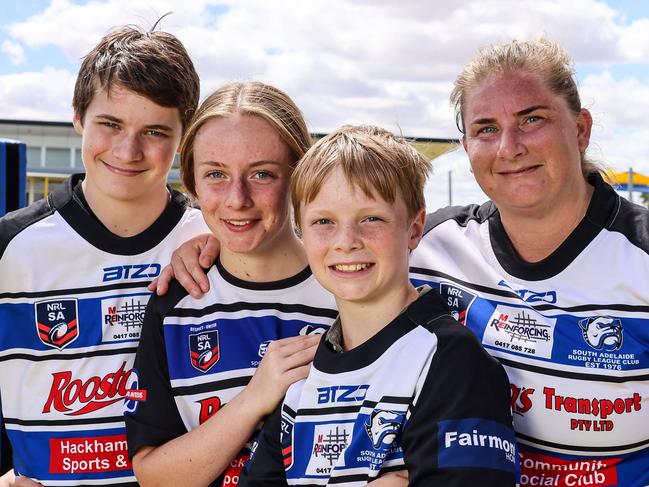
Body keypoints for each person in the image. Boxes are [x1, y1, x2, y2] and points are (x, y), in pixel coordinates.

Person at [156, 38, 649, 487]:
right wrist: (205, 237)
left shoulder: (636, 257)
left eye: (531, 119)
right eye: (485, 128)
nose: (508, 146)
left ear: (581, 128)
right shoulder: (437, 245)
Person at [239, 125, 518, 486]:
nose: (347, 242)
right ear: (301, 233)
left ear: (415, 229)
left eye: (371, 218)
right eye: (323, 222)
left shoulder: (451, 362)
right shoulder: (299, 369)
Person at [0, 22, 207, 486]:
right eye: (110, 124)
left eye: (154, 130)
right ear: (78, 116)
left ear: (184, 134)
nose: (128, 150)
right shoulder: (11, 247)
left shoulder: (213, 241)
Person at [124, 81, 339, 487]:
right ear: (191, 183)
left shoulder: (347, 291)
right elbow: (154, 476)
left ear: (299, 176)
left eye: (262, 174)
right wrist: (254, 400)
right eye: (216, 175)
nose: (237, 199)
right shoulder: (176, 300)